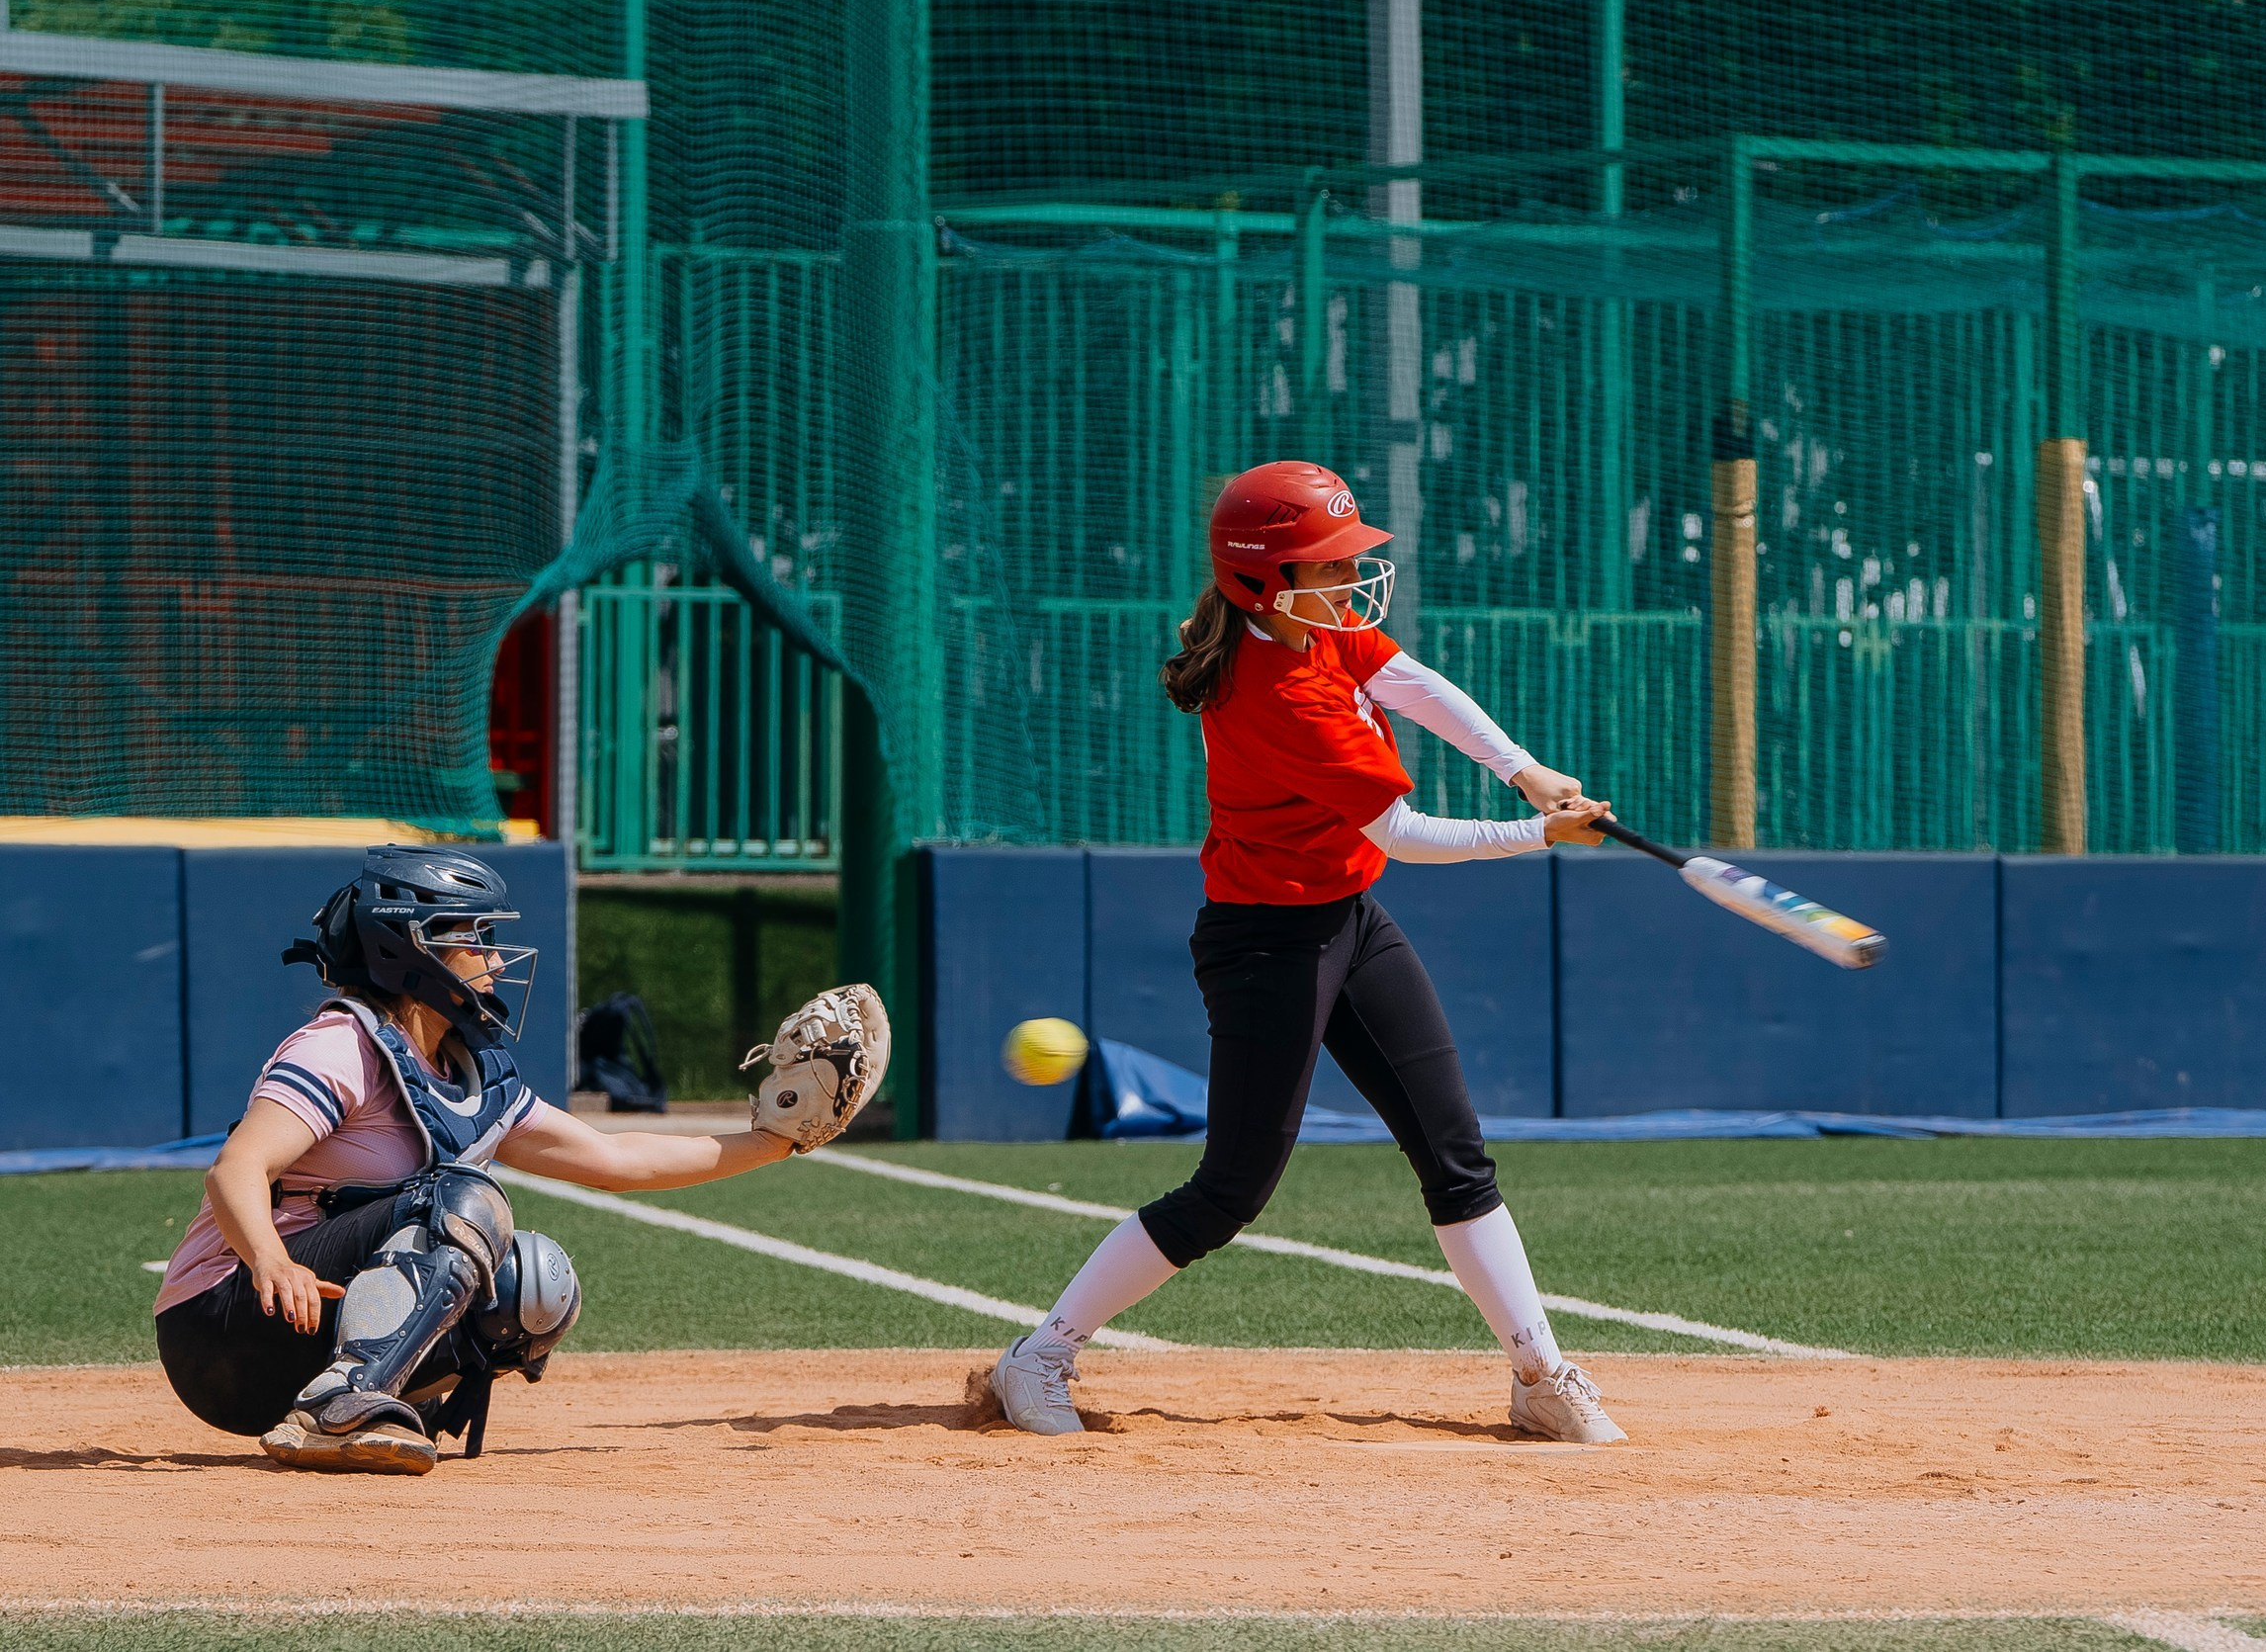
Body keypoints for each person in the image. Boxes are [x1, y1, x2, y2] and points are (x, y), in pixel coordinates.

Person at [987, 459, 1626, 1444]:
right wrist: (1539, 834)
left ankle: (1540, 1374)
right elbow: (1403, 835)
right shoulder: (1281, 692)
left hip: (1349, 921)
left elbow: (1409, 681)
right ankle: (1039, 1356)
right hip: (1265, 943)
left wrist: (1522, 768)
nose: (1350, 578)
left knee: (1455, 1153)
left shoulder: (1310, 626)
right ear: (1264, 580)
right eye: (1327, 564)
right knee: (1230, 1190)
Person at [153, 845, 884, 1475]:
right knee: (463, 1199)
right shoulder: (343, 1046)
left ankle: (376, 1399)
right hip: (222, 1324)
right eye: (476, 939)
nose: (497, 960)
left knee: (534, 1286)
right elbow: (236, 1167)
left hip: (297, 1331)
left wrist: (776, 1139)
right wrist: (270, 1260)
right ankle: (336, 1408)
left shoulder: (466, 1070)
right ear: (411, 949)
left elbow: (616, 1158)